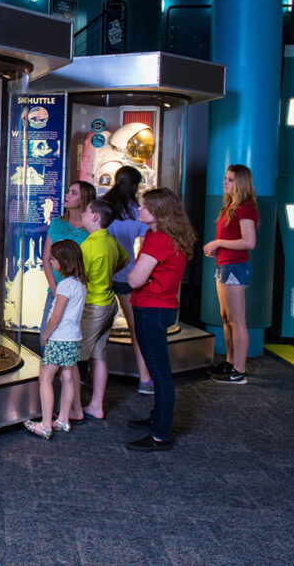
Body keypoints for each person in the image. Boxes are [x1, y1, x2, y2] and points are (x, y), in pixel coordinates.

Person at [126, 188, 196, 451]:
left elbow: (135, 279)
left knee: (160, 374)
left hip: (151, 309)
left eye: (144, 206)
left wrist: (139, 276)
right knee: (159, 371)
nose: (139, 209)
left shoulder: (157, 239)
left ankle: (160, 435)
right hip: (163, 307)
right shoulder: (169, 236)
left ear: (158, 211)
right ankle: (157, 420)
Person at [24, 239, 87, 440]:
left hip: (59, 338)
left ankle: (45, 425)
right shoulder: (80, 284)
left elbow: (57, 315)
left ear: (64, 261)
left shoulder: (64, 285)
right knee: (68, 377)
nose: (51, 262)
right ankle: (63, 420)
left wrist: (45, 334)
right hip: (74, 338)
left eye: (54, 259)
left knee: (45, 378)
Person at [203, 164, 258, 385]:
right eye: (225, 178)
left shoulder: (245, 208)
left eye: (230, 179)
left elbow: (249, 242)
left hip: (235, 267)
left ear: (241, 183)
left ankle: (239, 371)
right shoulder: (230, 207)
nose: (224, 182)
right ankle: (230, 362)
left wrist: (217, 242)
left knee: (237, 320)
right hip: (225, 265)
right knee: (226, 318)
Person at [101, 166, 153, 394]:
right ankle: (144, 378)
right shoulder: (137, 210)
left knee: (99, 329)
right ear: (135, 185)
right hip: (127, 273)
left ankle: (92, 375)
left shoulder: (102, 205)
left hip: (100, 273)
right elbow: (143, 246)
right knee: (136, 328)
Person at [75, 199, 128, 421]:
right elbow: (123, 260)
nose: (83, 214)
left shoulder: (87, 246)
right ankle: (96, 405)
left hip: (92, 306)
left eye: (86, 211)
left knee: (75, 357)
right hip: (108, 303)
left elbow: (76, 276)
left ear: (95, 217)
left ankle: (74, 408)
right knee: (98, 355)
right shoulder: (110, 242)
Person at [40, 181, 96, 337]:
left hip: (82, 291)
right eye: (68, 191)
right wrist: (54, 288)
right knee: (47, 336)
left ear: (84, 199)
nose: (67, 195)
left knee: (75, 339)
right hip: (56, 289)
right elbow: (46, 258)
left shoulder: (91, 228)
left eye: (74, 193)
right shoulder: (57, 223)